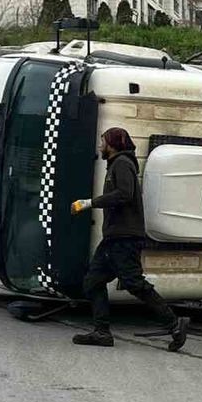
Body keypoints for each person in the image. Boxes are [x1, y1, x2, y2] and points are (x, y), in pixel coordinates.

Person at [70, 128, 189, 351]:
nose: (100, 146)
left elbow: (125, 194)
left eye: (102, 142)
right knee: (93, 282)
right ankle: (102, 332)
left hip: (124, 238)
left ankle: (174, 324)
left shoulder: (122, 164)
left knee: (134, 283)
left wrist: (89, 203)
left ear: (112, 144)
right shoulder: (116, 164)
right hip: (114, 238)